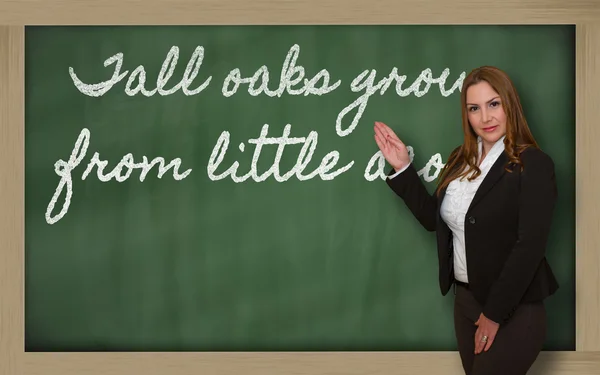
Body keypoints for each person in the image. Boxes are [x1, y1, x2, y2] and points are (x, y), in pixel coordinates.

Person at [373, 66, 559, 375]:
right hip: (466, 303)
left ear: (509, 105)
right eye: (475, 108)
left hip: (512, 308)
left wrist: (494, 314)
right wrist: (403, 167)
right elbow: (436, 221)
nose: (485, 117)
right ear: (467, 114)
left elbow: (530, 246)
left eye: (493, 104)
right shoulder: (460, 159)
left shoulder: (533, 164)